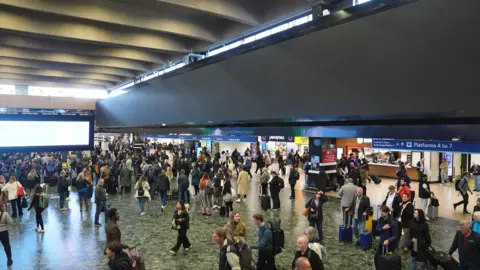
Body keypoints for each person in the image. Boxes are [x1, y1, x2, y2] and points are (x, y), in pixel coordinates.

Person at [374, 206, 399, 270]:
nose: (381, 213)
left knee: (388, 261)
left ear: (387, 212)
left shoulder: (393, 221)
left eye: (383, 212)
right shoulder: (380, 219)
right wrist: (383, 228)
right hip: (381, 243)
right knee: (376, 257)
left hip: (389, 245)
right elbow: (377, 229)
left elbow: (395, 235)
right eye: (381, 211)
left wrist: (388, 240)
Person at [0, 201, 13, 266]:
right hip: (3, 232)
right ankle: (9, 259)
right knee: (6, 246)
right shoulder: (4, 214)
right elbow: (11, 222)